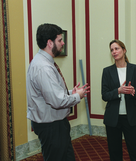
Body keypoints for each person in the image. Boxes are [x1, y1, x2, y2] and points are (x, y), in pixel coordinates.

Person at [26, 23, 90, 161]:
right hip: (51, 127)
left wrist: (69, 92)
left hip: (55, 124)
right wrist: (77, 96)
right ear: (50, 43)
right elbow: (56, 101)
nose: (63, 43)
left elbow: (49, 92)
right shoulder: (44, 67)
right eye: (60, 40)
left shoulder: (44, 62)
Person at [101, 39, 136, 161]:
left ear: (124, 50)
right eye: (112, 50)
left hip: (131, 117)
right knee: (114, 152)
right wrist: (118, 91)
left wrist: (134, 91)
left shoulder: (135, 69)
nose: (114, 52)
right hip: (113, 118)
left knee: (135, 151)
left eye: (117, 48)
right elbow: (104, 95)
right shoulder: (107, 71)